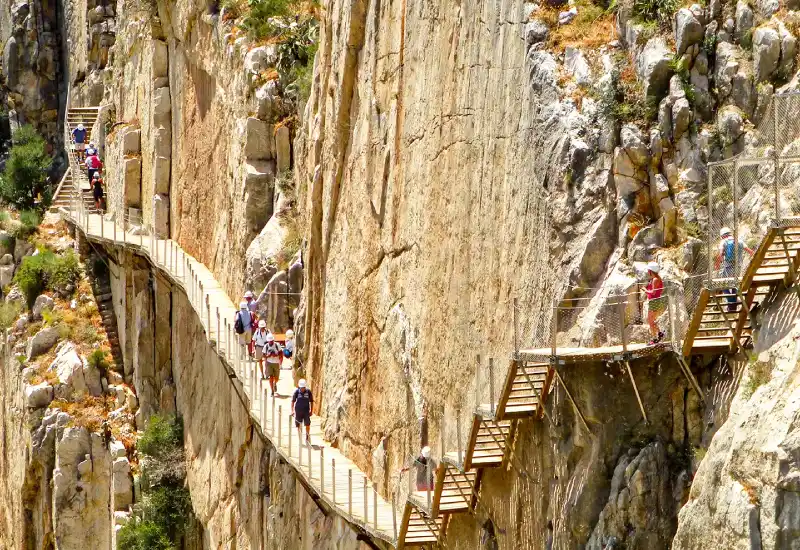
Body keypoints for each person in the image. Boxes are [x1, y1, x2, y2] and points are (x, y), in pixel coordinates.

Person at [714, 227, 755, 311]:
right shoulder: (739, 241)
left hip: (728, 267)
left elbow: (721, 253)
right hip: (738, 267)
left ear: (722, 236)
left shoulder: (723, 242)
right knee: (734, 285)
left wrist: (717, 264)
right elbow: (750, 252)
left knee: (723, 285)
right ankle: (733, 307)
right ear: (730, 233)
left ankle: (732, 302)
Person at [645, 261, 665, 345]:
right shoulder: (656, 279)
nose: (647, 272)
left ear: (650, 271)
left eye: (648, 270)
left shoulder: (655, 280)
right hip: (654, 301)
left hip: (654, 301)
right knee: (651, 321)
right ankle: (660, 334)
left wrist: (645, 290)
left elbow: (653, 292)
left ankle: (655, 339)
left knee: (650, 321)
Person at [292, 378, 313, 445]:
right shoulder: (297, 392)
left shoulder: (308, 392)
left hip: (306, 411)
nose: (302, 389)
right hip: (298, 411)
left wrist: (311, 411)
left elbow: (312, 401)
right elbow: (293, 401)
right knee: (298, 425)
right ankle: (300, 438)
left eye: (303, 387)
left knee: (307, 424)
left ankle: (307, 436)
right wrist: (292, 410)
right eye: (301, 387)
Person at [244, 290, 258, 356]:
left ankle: (251, 352)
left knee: (251, 339)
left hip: (251, 324)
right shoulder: (249, 303)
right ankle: (250, 352)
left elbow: (252, 314)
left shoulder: (252, 304)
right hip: (250, 323)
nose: (245, 298)